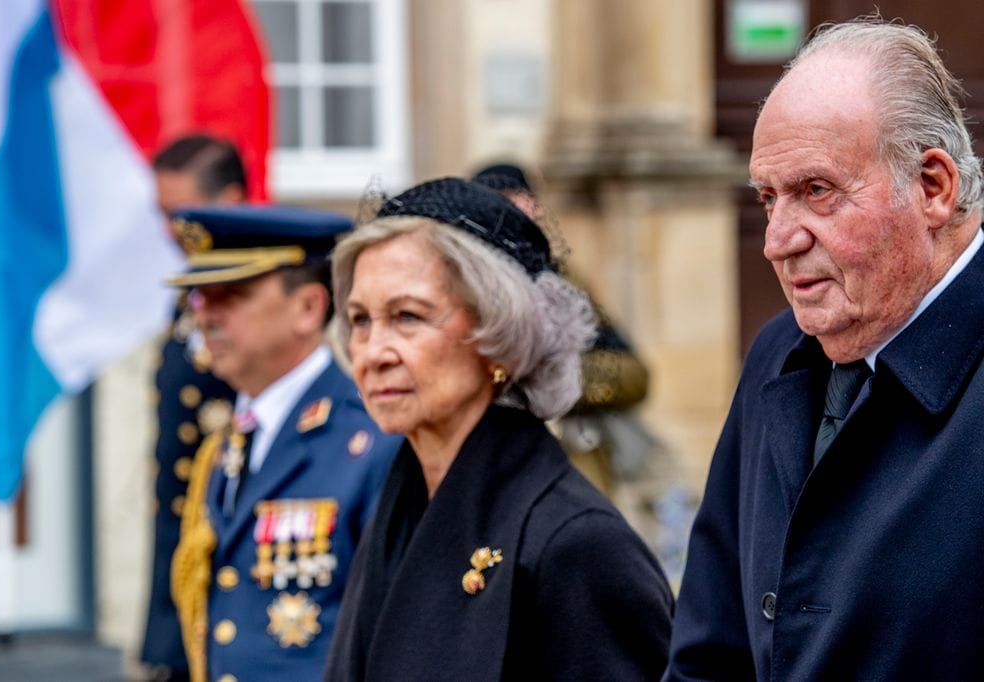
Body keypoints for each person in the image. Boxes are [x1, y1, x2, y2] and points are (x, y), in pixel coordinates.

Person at [665, 18, 984, 680]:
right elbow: (709, 643)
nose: (777, 239)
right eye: (767, 198)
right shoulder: (779, 352)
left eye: (816, 191)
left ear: (933, 187)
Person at [324, 177, 673, 680]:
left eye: (407, 316)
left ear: (499, 335)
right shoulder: (403, 502)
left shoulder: (577, 544)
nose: (373, 353)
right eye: (359, 320)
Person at [166, 205, 401, 681]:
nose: (205, 314)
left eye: (231, 294)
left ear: (309, 307)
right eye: (200, 296)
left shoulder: (372, 438)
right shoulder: (231, 442)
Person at [472, 162, 692, 584]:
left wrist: (549, 378)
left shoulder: (562, 280)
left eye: (525, 201)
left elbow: (633, 374)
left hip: (577, 471)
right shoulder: (464, 289)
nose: (522, 214)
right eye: (505, 205)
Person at [141, 134, 248, 681]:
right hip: (182, 545)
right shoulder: (191, 294)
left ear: (227, 201)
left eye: (177, 213)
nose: (168, 230)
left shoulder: (258, 294)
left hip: (232, 557)